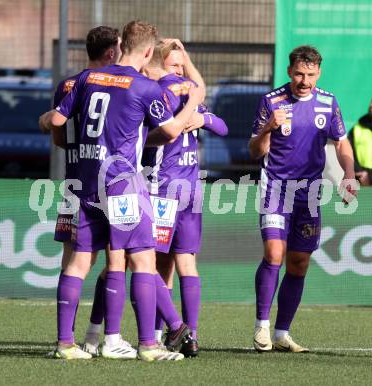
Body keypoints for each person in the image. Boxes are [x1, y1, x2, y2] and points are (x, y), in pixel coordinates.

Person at [40, 20, 204, 361]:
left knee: (77, 263)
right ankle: (147, 345)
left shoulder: (86, 79)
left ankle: (65, 344)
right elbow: (172, 131)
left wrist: (52, 126)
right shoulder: (145, 87)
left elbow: (57, 122)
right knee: (142, 260)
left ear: (121, 45)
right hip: (122, 185)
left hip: (82, 183)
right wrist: (194, 103)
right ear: (147, 51)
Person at [248, 45, 357, 353]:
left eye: (310, 74)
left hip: (309, 195)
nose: (304, 80)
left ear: (318, 73)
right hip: (276, 189)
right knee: (274, 253)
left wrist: (348, 172)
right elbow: (255, 151)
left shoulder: (328, 102)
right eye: (299, 73)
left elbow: (341, 144)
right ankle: (262, 327)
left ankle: (282, 333)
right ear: (289, 72)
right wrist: (268, 128)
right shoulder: (272, 102)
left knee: (299, 263)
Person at [40, 26, 138, 359]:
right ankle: (104, 337)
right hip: (112, 181)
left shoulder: (69, 83)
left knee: (73, 261)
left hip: (74, 181)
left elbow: (56, 131)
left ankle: (64, 339)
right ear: (112, 53)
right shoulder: (122, 85)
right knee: (115, 257)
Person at [142, 40, 228, 357]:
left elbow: (221, 125)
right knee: (163, 263)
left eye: (182, 65)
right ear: (158, 66)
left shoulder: (183, 95)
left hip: (175, 191)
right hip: (167, 189)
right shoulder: (170, 94)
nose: (180, 71)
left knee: (170, 263)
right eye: (174, 65)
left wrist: (203, 118)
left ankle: (186, 333)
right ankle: (167, 333)